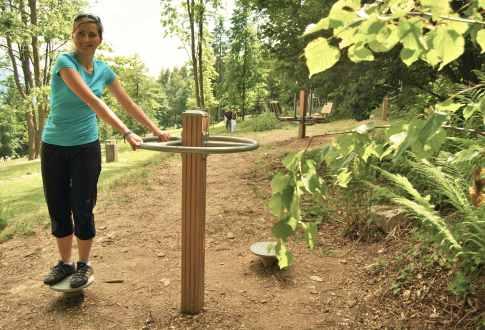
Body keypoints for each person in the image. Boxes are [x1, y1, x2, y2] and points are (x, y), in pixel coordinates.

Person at [41, 13, 169, 288]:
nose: (86, 39)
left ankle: (83, 266)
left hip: (85, 148)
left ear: (100, 38)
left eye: (92, 34)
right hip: (53, 146)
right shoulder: (64, 62)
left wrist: (155, 130)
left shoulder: (104, 71)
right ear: (73, 35)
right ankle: (64, 264)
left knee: (83, 207)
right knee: (58, 207)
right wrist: (126, 132)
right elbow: (91, 101)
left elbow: (128, 103)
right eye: (81, 33)